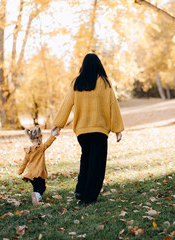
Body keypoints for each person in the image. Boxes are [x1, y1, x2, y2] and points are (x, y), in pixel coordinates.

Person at [52, 53, 124, 204]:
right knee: (97, 164)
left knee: (86, 159)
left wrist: (58, 125)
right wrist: (117, 129)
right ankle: (89, 197)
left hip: (82, 132)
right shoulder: (104, 83)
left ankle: (80, 191)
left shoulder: (77, 83)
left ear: (83, 66)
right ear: (98, 65)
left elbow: (66, 104)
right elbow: (113, 106)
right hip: (99, 131)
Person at [18, 125, 59, 205]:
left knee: (36, 187)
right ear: (39, 138)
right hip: (39, 173)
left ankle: (35, 199)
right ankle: (37, 196)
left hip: (31, 174)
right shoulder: (40, 148)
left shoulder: (28, 150)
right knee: (42, 187)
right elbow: (48, 143)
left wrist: (20, 171)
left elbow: (24, 162)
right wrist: (53, 135)